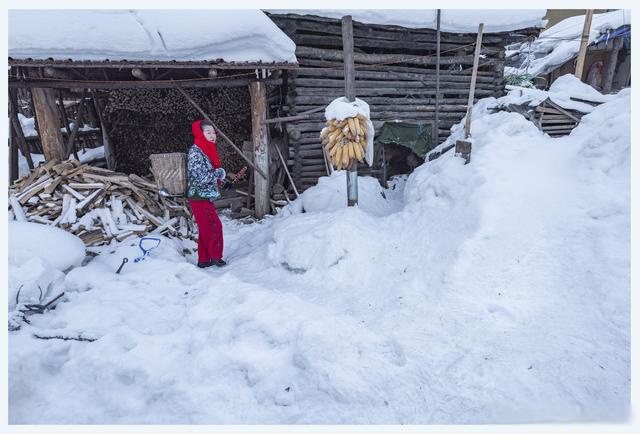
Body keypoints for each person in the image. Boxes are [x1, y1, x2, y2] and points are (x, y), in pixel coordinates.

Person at [187, 119, 228, 268]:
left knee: (205, 227)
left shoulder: (206, 149)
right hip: (198, 196)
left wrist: (221, 179)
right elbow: (201, 177)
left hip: (204, 196)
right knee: (215, 225)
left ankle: (203, 260)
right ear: (200, 133)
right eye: (208, 132)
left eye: (214, 133)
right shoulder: (195, 152)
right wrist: (219, 172)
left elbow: (208, 174)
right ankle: (216, 257)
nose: (212, 136)